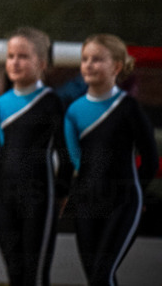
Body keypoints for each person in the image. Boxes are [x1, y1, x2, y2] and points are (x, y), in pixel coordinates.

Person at [64, 34, 158, 286]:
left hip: (123, 202)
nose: (89, 65)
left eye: (97, 60)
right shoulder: (74, 111)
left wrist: (139, 192)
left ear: (116, 66)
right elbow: (74, 161)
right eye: (85, 59)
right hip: (87, 203)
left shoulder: (129, 108)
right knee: (95, 277)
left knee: (101, 274)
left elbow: (150, 158)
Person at [0, 27, 71, 286]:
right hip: (5, 197)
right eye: (11, 56)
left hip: (39, 197)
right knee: (14, 271)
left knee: (34, 274)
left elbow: (65, 154)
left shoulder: (51, 102)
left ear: (42, 64)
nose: (15, 62)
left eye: (23, 56)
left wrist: (61, 193)